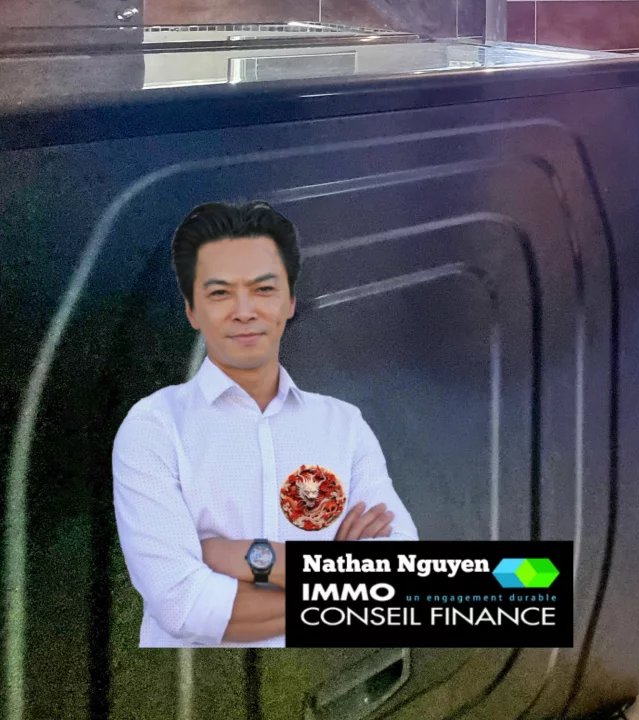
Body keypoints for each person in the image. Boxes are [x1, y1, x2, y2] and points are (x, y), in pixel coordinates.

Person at [111, 202, 416, 647]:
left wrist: (247, 557)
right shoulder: (154, 428)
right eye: (220, 293)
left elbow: (402, 578)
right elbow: (182, 605)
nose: (244, 311)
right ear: (191, 310)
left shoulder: (344, 425)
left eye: (264, 289)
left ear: (289, 301)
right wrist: (338, 576)